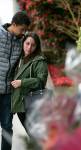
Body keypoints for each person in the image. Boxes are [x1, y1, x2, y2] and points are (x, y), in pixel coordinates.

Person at [0, 11, 31, 150]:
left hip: (7, 92)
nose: (23, 33)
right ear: (13, 24)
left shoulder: (21, 41)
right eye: (22, 29)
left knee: (7, 127)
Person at [11, 32, 48, 135]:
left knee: (36, 135)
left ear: (36, 47)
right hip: (20, 106)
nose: (29, 47)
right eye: (27, 43)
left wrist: (22, 82)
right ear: (23, 43)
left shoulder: (39, 61)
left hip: (31, 104)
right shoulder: (20, 59)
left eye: (33, 45)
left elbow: (41, 81)